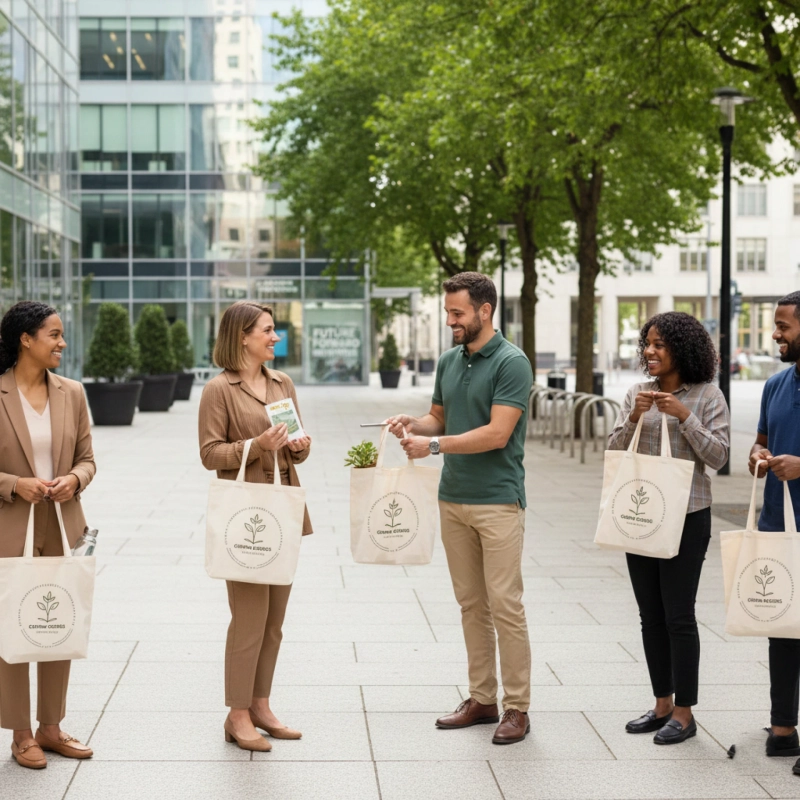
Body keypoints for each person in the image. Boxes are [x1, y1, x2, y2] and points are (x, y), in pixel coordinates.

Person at [386, 271, 534, 745]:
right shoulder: (450, 361)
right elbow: (438, 418)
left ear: (484, 311)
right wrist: (413, 423)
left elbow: (497, 433)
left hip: (498, 502)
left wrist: (432, 446)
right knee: (471, 605)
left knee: (506, 605)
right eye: (448, 312)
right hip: (453, 500)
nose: (450, 320)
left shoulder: (512, 363)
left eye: (457, 313)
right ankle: (482, 699)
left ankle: (517, 708)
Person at [608, 312, 729, 744]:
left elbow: (718, 457)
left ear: (683, 349)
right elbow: (613, 450)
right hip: (641, 515)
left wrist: (684, 417)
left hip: (687, 517)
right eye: (647, 344)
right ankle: (661, 704)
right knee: (649, 615)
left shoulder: (708, 396)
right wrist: (633, 420)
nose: (650, 351)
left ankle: (684, 712)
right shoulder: (637, 393)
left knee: (679, 615)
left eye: (659, 344)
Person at [198, 301, 312, 752]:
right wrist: (256, 445)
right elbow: (210, 453)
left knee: (274, 621)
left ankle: (261, 705)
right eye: (267, 330)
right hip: (246, 516)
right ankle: (237, 713)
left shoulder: (281, 383)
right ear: (242, 336)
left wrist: (299, 445)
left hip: (282, 509)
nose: (275, 337)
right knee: (248, 619)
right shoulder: (218, 390)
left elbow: (295, 446)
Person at [0, 301, 96, 769]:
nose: (61, 343)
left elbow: (87, 458)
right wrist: (14, 484)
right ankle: (21, 734)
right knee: (16, 621)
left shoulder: (72, 393)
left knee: (58, 621)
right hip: (9, 524)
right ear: (25, 339)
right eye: (53, 335)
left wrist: (74, 480)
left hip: (62, 523)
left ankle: (51, 727)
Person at [748, 291, 800, 774]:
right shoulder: (776, 385)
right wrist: (758, 457)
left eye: (784, 325)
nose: (775, 334)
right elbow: (762, 442)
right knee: (781, 629)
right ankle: (783, 728)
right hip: (777, 527)